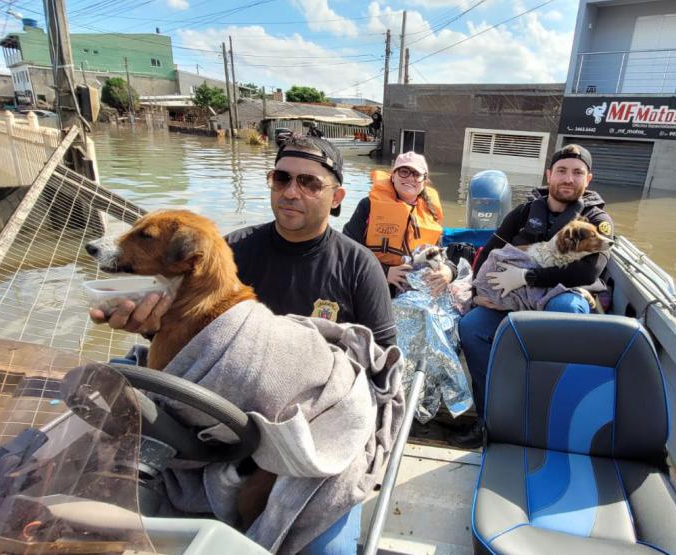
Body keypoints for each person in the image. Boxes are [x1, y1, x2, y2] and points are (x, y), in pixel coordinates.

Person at [90, 134, 396, 553]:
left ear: (338, 196)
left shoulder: (360, 267)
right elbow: (193, 343)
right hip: (218, 418)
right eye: (281, 178)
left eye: (309, 183)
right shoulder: (224, 250)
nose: (291, 192)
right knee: (105, 483)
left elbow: (376, 366)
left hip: (311, 422)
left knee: (326, 550)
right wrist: (146, 327)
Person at [451, 144, 614, 449]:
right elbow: (488, 251)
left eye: (577, 173)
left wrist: (527, 277)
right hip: (512, 300)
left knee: (566, 308)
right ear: (549, 174)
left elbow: (586, 274)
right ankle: (491, 420)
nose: (568, 178)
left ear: (588, 179)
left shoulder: (597, 220)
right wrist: (477, 293)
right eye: (562, 171)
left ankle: (548, 422)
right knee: (472, 327)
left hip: (558, 297)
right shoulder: (524, 212)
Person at [342, 151, 455, 297]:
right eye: (404, 172)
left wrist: (449, 271)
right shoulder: (368, 205)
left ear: (424, 180)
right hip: (371, 283)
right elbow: (347, 251)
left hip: (412, 288)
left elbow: (438, 254)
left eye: (416, 174)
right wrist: (384, 272)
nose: (409, 178)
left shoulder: (430, 212)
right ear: (393, 176)